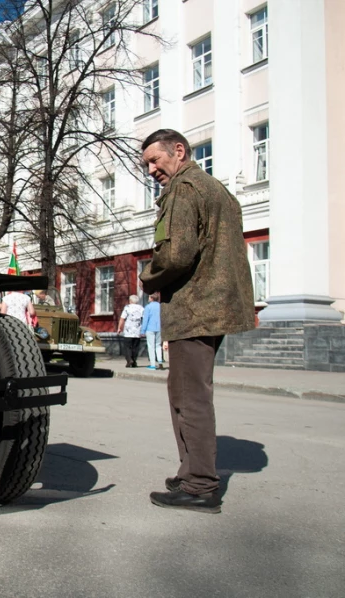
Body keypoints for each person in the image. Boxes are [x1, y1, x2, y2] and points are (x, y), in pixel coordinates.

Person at [139, 129, 255, 514]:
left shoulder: (184, 189)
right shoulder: (216, 189)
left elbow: (176, 255)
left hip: (193, 308)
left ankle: (201, 485)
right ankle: (191, 471)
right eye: (147, 164)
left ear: (179, 150)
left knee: (190, 399)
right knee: (188, 394)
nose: (152, 169)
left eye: (156, 160)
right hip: (213, 306)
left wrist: (148, 277)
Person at [117, 295, 144, 368]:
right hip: (137, 331)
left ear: (130, 301)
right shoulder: (141, 308)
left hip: (128, 331)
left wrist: (119, 328)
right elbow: (143, 319)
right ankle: (134, 361)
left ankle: (129, 360)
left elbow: (122, 318)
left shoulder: (127, 308)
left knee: (127, 347)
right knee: (136, 347)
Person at [141, 293, 164, 370]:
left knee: (151, 346)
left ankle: (153, 364)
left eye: (149, 297)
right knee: (158, 345)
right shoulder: (161, 306)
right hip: (159, 328)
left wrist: (142, 331)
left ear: (151, 298)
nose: (148, 298)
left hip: (150, 328)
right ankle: (160, 361)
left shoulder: (148, 307)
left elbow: (145, 319)